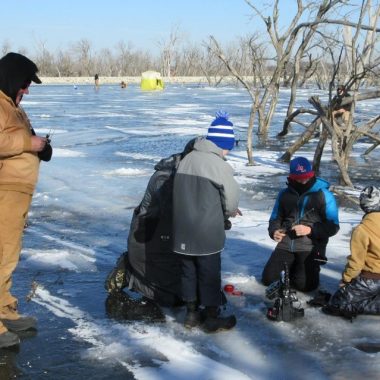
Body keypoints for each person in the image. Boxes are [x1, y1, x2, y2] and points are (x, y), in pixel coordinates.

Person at [105, 138, 197, 311]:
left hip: (168, 238)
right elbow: (174, 213)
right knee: (174, 299)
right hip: (149, 238)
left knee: (190, 287)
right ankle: (129, 272)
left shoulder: (187, 173)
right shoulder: (165, 177)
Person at [172, 111, 241, 333]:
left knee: (187, 272)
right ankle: (211, 317)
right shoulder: (218, 165)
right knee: (209, 273)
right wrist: (230, 212)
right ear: (222, 144)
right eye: (229, 146)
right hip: (207, 232)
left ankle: (191, 315)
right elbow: (230, 200)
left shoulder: (186, 159)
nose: (228, 151)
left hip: (182, 230)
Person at [0, 52, 52, 348]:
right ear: (11, 78)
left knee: (9, 255)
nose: (27, 89)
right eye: (25, 83)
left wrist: (41, 149)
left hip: (18, 194)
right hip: (4, 192)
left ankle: (5, 309)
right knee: (1, 256)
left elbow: (25, 140)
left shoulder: (13, 107)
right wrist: (27, 143)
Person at [262, 156, 339, 293]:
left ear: (311, 174)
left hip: (310, 246)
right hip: (287, 243)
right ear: (292, 176)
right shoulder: (284, 194)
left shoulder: (324, 195)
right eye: (299, 177)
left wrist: (310, 229)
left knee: (305, 286)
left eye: (306, 176)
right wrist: (274, 231)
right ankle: (294, 267)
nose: (303, 180)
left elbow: (333, 226)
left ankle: (303, 267)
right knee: (268, 280)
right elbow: (275, 218)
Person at [322, 186, 380, 318]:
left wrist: (346, 280)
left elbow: (356, 263)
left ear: (363, 205)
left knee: (336, 305)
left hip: (372, 279)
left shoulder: (362, 229)